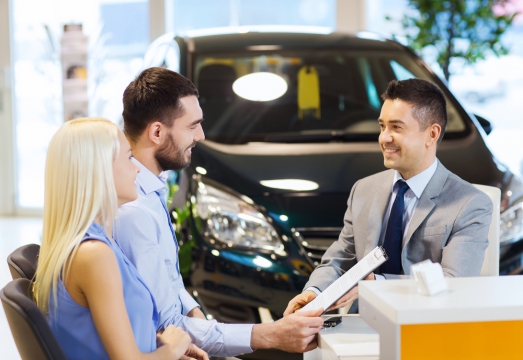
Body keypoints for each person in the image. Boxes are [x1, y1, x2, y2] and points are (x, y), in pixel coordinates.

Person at [113, 67, 324, 358]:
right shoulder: (134, 212)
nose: (200, 135)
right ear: (158, 132)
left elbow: (168, 284)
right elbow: (167, 328)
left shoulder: (151, 189)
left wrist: (195, 311)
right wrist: (271, 334)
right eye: (192, 126)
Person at [284, 78, 493, 316]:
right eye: (382, 126)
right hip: (362, 323)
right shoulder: (363, 189)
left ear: (431, 135)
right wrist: (314, 292)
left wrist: (378, 285)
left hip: (427, 326)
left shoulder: (470, 204)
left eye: (396, 127)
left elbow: (454, 283)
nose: (384, 138)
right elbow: (339, 258)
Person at [34, 118, 208, 360]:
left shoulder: (99, 241)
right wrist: (171, 349)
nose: (136, 168)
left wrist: (160, 345)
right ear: (99, 171)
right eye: (128, 158)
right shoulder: (94, 254)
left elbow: (112, 335)